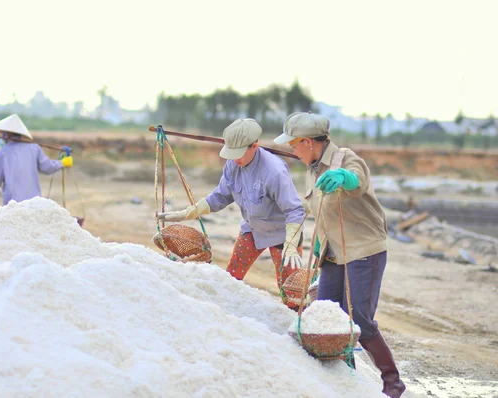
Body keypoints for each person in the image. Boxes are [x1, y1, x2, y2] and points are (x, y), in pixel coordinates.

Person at [274, 112, 406, 398]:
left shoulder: (345, 159)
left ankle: (392, 380)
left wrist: (344, 177)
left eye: (294, 145)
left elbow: (358, 180)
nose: (292, 151)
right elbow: (320, 213)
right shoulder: (312, 168)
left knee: (358, 318)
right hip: (332, 253)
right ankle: (346, 379)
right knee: (327, 316)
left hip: (363, 250)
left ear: (308, 142)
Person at [158, 118, 306, 309]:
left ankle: (295, 330)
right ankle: (227, 315)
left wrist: (292, 244)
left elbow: (294, 210)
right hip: (252, 229)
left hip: (283, 235)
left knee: (290, 294)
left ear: (254, 145)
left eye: (239, 153)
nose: (235, 159)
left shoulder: (274, 171)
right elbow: (221, 196)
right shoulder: (232, 164)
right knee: (230, 278)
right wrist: (191, 211)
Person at [0, 114, 73, 204]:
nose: (2, 136)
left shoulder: (2, 153)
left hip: (12, 204)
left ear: (8, 135)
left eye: (3, 134)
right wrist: (62, 163)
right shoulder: (34, 148)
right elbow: (47, 167)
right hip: (34, 203)